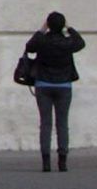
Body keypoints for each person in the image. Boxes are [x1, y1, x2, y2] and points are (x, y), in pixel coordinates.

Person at [16, 9, 86, 172]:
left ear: (48, 24)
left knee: (45, 123)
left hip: (43, 84)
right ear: (62, 25)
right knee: (62, 123)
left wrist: (42, 30)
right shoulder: (67, 42)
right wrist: (69, 28)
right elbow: (80, 43)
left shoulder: (42, 41)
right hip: (64, 85)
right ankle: (62, 161)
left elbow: (29, 47)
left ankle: (46, 161)